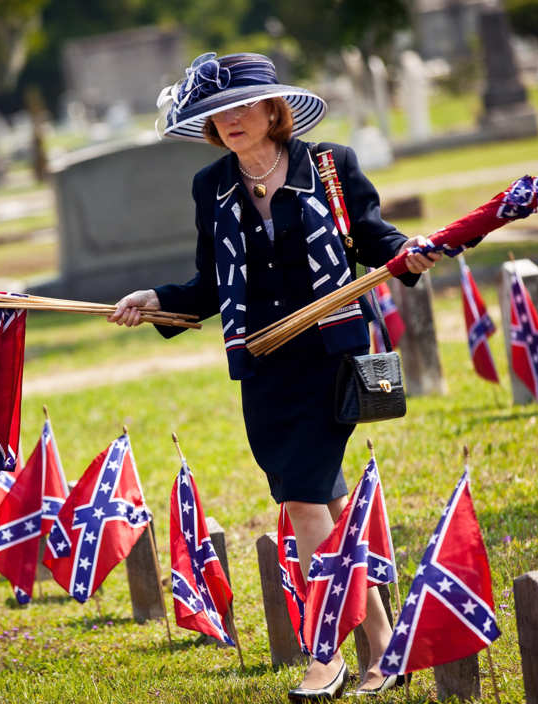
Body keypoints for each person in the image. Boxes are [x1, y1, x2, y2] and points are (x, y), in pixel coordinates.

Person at [109, 52, 440, 700]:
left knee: (302, 503)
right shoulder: (211, 187)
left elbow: (374, 238)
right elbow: (209, 285)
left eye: (240, 106)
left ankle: (325, 657)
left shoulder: (330, 165)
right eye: (214, 112)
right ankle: (385, 645)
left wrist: (410, 254)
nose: (228, 120)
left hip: (335, 359)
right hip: (262, 368)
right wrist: (155, 298)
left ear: (271, 109)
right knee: (328, 509)